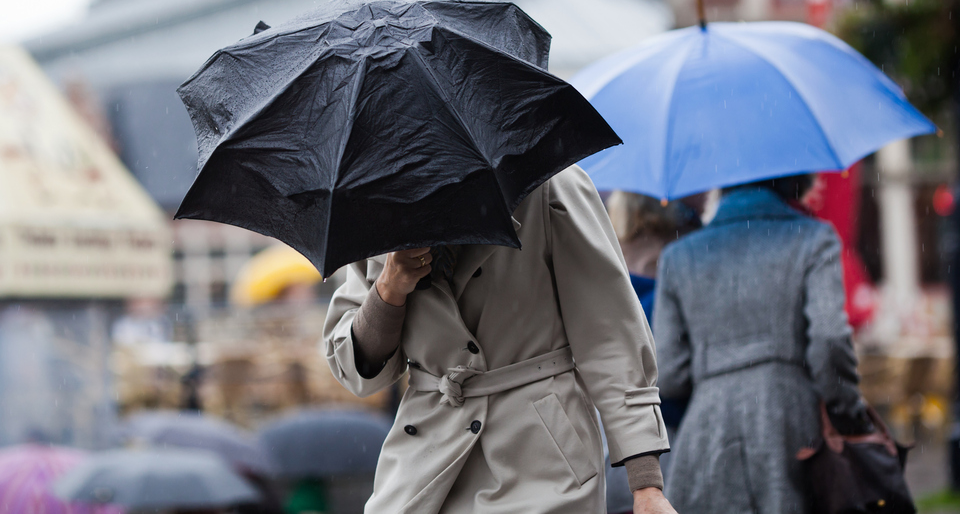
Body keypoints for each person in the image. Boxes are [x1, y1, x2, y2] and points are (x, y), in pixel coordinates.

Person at [323, 166, 676, 514]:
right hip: (425, 465)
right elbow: (358, 371)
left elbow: (610, 333)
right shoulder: (373, 204)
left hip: (542, 460)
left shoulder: (549, 183)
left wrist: (645, 481)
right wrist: (389, 289)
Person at [654, 175, 873, 513]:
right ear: (794, 176)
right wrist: (848, 413)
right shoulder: (812, 238)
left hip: (707, 433)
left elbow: (668, 374)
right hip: (790, 425)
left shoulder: (678, 256)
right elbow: (830, 340)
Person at [603, 192, 703, 514]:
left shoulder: (604, 249)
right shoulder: (686, 251)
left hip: (615, 438)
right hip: (673, 435)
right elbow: (673, 371)